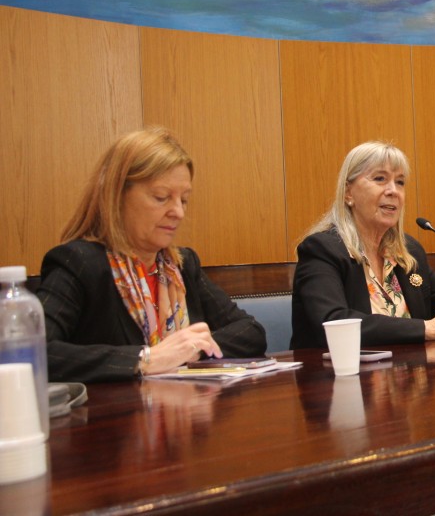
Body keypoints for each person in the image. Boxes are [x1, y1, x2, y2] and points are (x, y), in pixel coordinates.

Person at [37, 128, 267, 383]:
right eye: (162, 197)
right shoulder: (79, 263)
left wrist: (191, 349)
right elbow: (35, 352)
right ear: (116, 196)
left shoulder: (180, 265)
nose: (178, 212)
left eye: (184, 200)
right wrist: (145, 359)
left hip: (186, 414)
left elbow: (251, 332)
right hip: (112, 419)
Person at [290, 141, 435, 349]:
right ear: (348, 193)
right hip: (339, 376)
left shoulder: (407, 251)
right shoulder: (323, 249)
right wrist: (427, 329)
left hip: (411, 375)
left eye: (400, 182)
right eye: (380, 179)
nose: (393, 191)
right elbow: (333, 322)